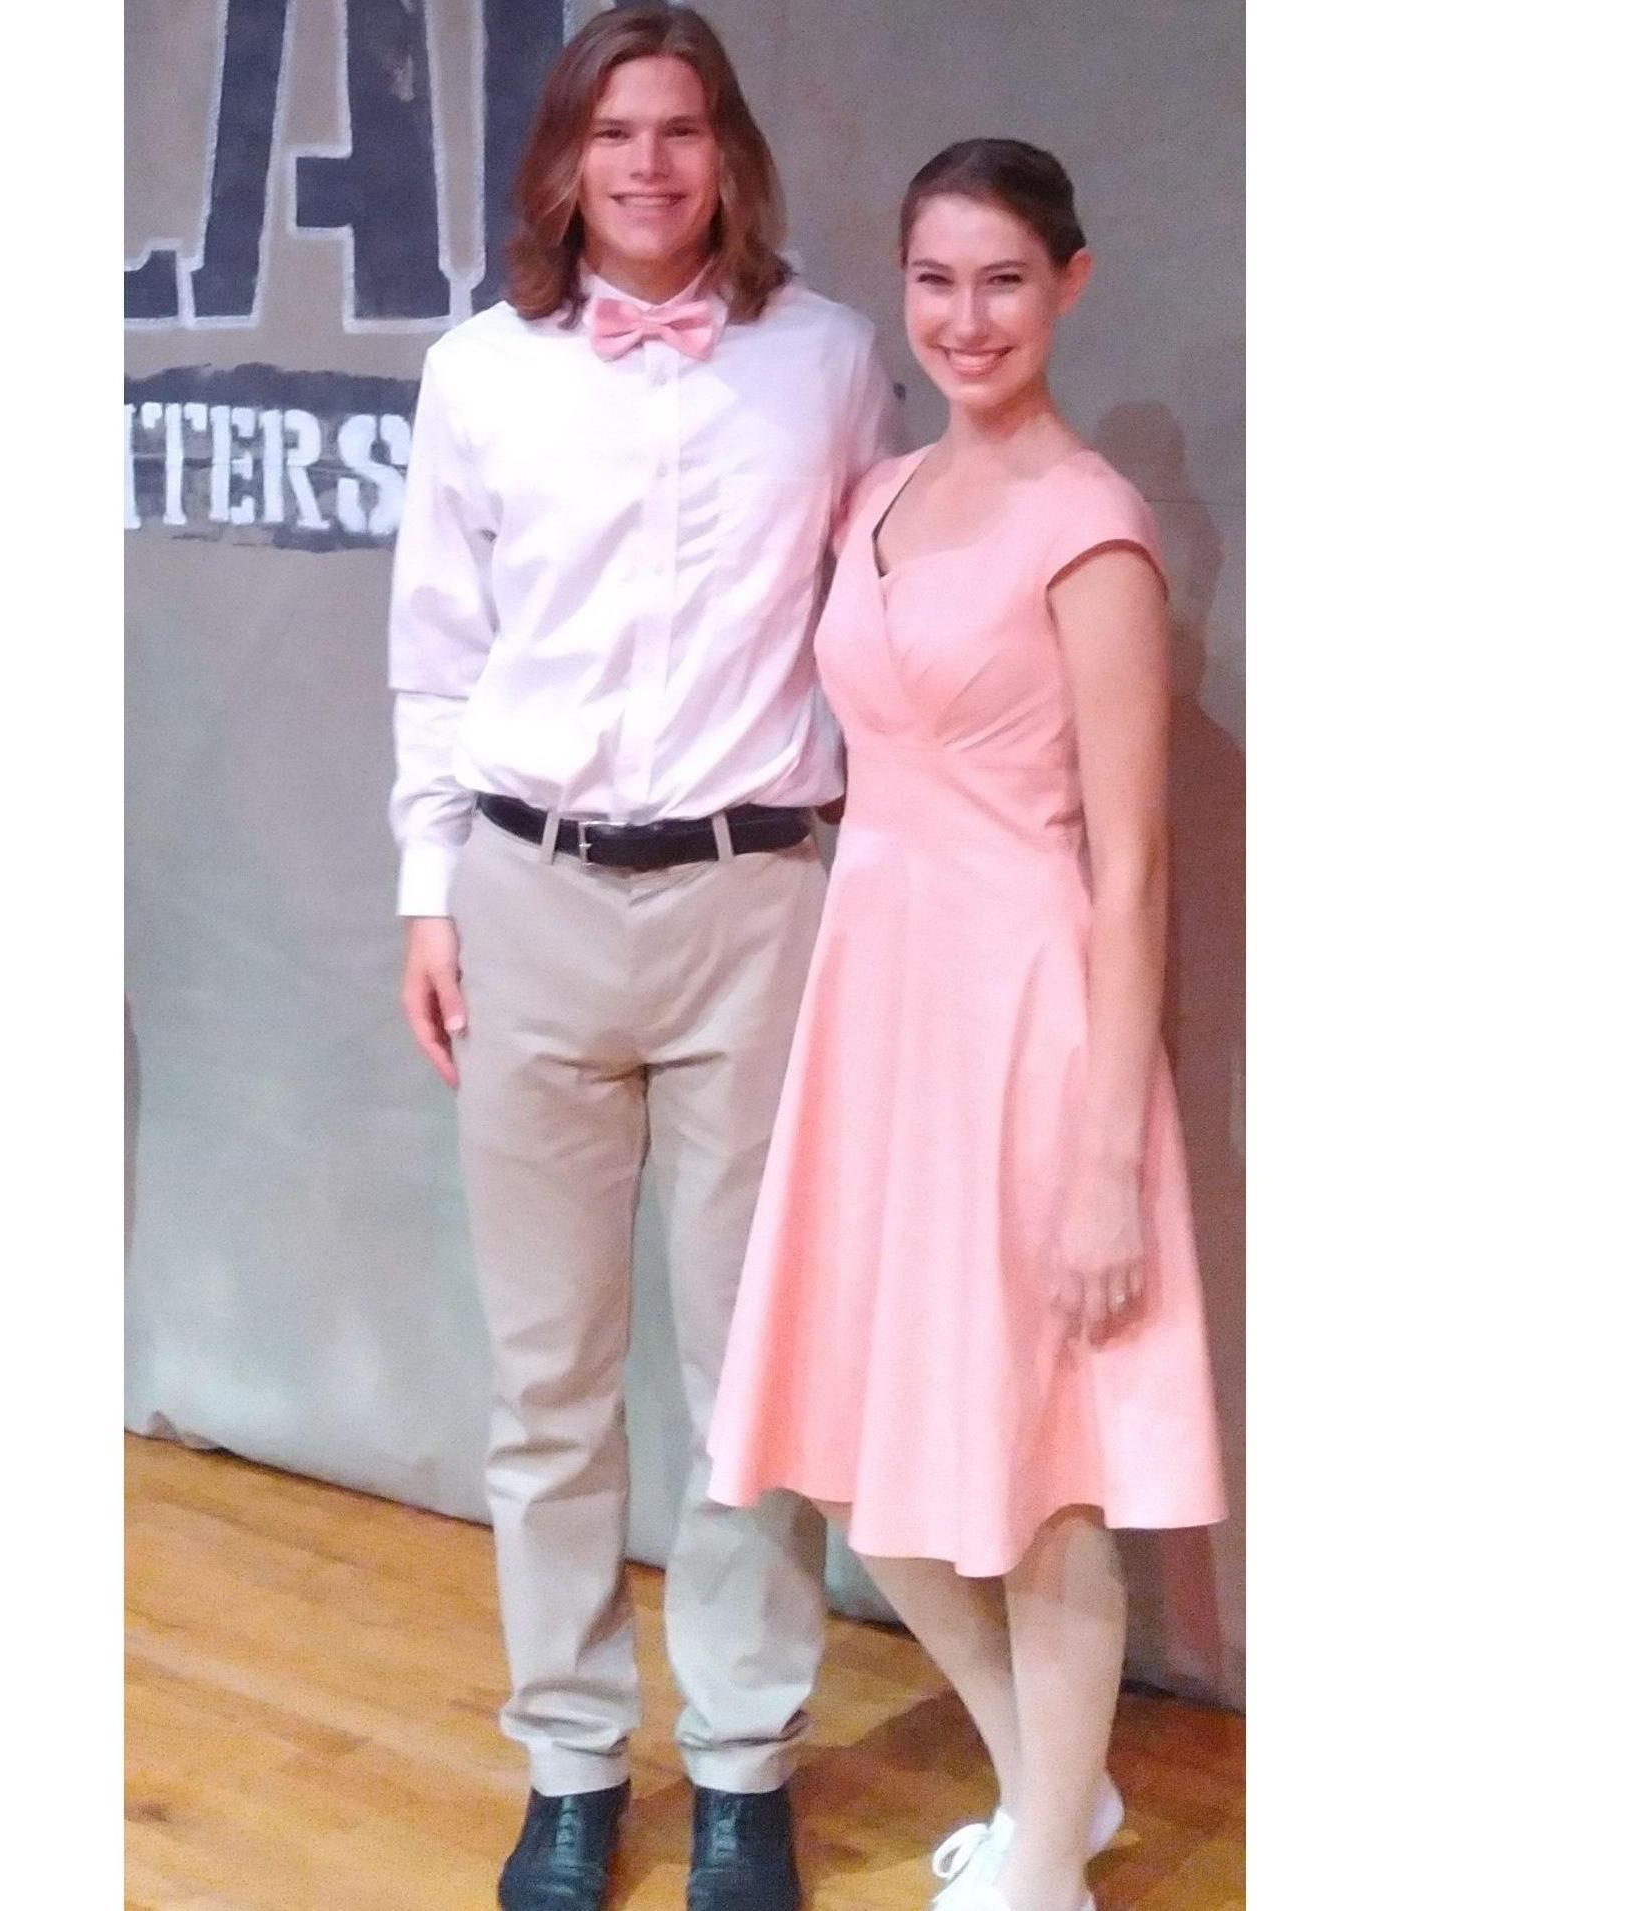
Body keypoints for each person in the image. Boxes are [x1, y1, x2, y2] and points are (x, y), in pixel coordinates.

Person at [387, 7, 896, 1907]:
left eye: (683, 129)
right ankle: (573, 1765)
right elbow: (436, 657)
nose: (651, 165)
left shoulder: (833, 361)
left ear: (728, 153)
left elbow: (884, 632)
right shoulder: (474, 376)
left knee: (747, 1374)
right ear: (565, 161)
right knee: (548, 1381)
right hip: (525, 894)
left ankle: (748, 1763)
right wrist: (426, 898)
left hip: (759, 903)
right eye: (617, 132)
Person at [706, 138, 1228, 1911]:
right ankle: (1047, 1792)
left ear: (1067, 284)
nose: (965, 316)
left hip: (1030, 1029)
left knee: (1043, 1475)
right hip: (881, 1021)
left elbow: (1136, 865)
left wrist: (1104, 1166)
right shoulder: (872, 495)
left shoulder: (1091, 526)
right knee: (867, 1460)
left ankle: (1040, 1880)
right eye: (935, 280)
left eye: (1003, 278)